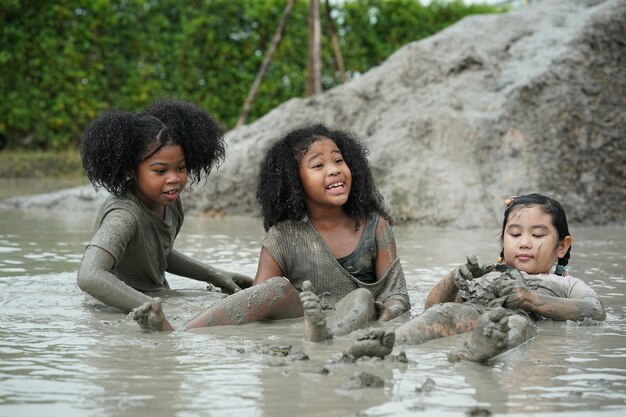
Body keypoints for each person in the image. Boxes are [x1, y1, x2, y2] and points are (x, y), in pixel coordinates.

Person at [131, 124, 411, 336]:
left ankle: (326, 335)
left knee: (361, 298)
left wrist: (384, 317)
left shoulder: (375, 225)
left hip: (357, 317)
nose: (335, 170)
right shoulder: (282, 237)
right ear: (294, 183)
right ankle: (179, 331)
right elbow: (258, 299)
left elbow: (397, 294)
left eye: (339, 161)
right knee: (275, 287)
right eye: (319, 165)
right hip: (304, 317)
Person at [76, 99, 253, 315]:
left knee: (234, 298)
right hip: (117, 309)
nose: (174, 179)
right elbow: (89, 275)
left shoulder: (170, 202)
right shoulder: (123, 216)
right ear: (131, 170)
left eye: (180, 168)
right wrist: (152, 309)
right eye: (160, 171)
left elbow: (159, 253)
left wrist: (214, 274)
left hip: (154, 297)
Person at [383, 193, 606, 363]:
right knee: (446, 313)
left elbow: (595, 310)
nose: (524, 242)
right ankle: (389, 342)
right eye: (515, 234)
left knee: (517, 324)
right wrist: (451, 281)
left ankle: (481, 348)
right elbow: (432, 305)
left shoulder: (566, 283)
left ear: (562, 246)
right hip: (474, 312)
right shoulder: (486, 274)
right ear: (502, 240)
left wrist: (532, 301)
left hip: (521, 319)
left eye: (537, 235)